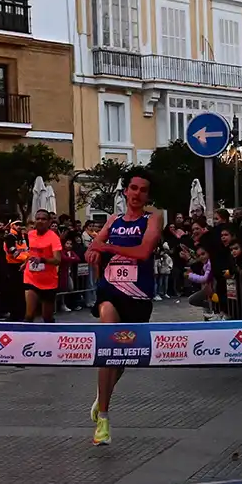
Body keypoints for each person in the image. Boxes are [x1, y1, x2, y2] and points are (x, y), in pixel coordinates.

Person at [85, 169, 161, 446]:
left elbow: (143, 252)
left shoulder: (153, 219)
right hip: (110, 292)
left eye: (143, 190)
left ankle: (101, 397)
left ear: (147, 195)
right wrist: (94, 251)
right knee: (108, 343)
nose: (137, 194)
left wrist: (105, 248)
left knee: (122, 357)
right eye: (133, 188)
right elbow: (95, 245)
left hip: (138, 296)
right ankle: (103, 419)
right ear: (126, 192)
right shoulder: (114, 220)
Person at [23, 209, 63, 323]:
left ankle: (50, 337)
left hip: (49, 282)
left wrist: (42, 260)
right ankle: (26, 338)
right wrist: (25, 262)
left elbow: (57, 260)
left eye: (44, 219)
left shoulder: (53, 237)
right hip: (31, 278)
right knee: (29, 316)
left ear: (49, 222)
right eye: (38, 219)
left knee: (47, 318)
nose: (40, 221)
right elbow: (30, 252)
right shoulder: (30, 235)